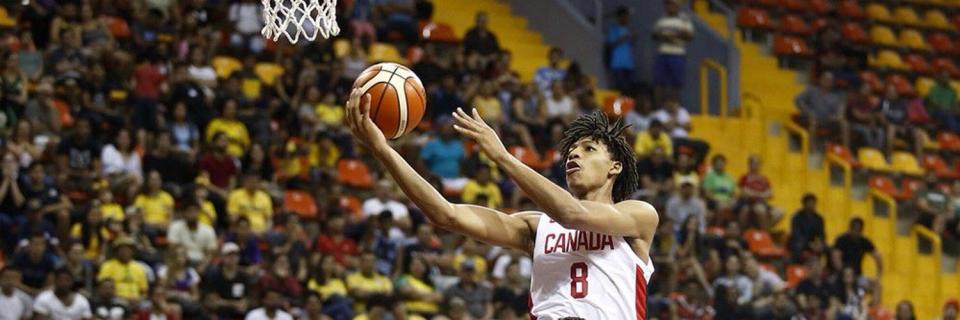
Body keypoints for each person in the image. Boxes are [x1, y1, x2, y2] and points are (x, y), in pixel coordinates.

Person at [346, 87, 657, 318]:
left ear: (614, 167)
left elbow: (572, 214)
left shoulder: (637, 216)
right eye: (571, 150)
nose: (574, 154)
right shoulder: (536, 226)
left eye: (589, 149)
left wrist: (502, 157)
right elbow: (446, 214)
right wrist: (382, 150)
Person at [794, 72, 849, 148]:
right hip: (810, 117)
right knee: (813, 121)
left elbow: (838, 111)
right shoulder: (811, 90)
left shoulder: (835, 97)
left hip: (826, 120)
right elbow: (798, 100)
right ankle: (812, 150)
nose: (827, 81)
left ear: (832, 83)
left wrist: (836, 116)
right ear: (820, 80)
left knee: (844, 124)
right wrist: (807, 111)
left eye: (830, 80)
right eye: (825, 79)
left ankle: (845, 150)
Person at [652, 0, 693, 100]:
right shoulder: (661, 20)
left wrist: (672, 36)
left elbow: (689, 35)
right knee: (659, 82)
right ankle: (660, 109)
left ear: (677, 6)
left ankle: (673, 108)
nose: (669, 7)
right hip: (662, 53)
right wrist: (663, 36)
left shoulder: (684, 20)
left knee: (676, 83)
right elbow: (654, 35)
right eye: (667, 4)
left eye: (671, 4)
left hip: (677, 54)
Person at [97, 237, 149, 304]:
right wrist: (122, 299)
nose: (125, 252)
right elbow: (103, 289)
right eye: (122, 249)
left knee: (146, 305)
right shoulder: (108, 266)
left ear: (132, 251)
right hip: (115, 300)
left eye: (128, 249)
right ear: (116, 251)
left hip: (137, 301)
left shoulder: (139, 267)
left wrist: (139, 299)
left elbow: (144, 291)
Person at [167, 199, 217, 267]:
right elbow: (172, 247)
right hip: (182, 260)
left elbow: (211, 252)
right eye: (189, 211)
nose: (192, 214)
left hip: (201, 262)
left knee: (213, 269)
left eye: (195, 211)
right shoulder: (175, 226)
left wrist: (202, 267)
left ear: (199, 212)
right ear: (184, 213)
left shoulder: (208, 229)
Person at [606, 6, 638, 92]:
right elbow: (610, 44)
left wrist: (634, 38)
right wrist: (623, 38)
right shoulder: (613, 29)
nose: (626, 18)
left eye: (627, 16)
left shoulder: (630, 29)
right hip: (617, 64)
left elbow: (632, 44)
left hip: (629, 64)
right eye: (624, 16)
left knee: (629, 89)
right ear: (619, 17)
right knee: (619, 89)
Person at [788, 193, 826, 263]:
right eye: (810, 202)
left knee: (828, 248)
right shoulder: (797, 217)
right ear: (804, 204)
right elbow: (796, 234)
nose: (812, 205)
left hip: (813, 242)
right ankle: (797, 265)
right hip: (800, 242)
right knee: (798, 245)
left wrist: (820, 242)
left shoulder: (819, 218)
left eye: (813, 203)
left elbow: (822, 234)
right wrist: (809, 244)